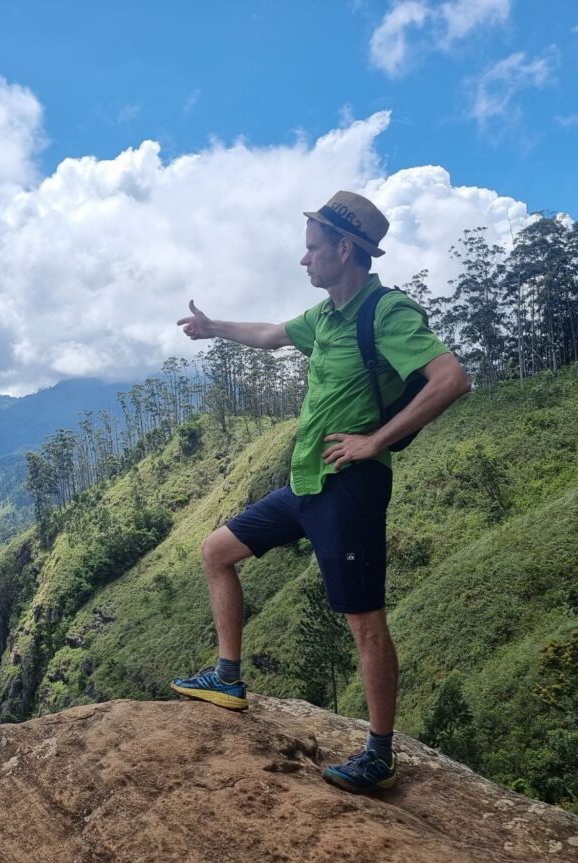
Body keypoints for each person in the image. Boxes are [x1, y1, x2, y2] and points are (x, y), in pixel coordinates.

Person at [171, 190, 470, 795]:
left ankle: (379, 754)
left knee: (364, 620)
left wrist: (374, 441)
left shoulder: (384, 312)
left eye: (312, 248)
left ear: (345, 248)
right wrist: (211, 328)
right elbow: (270, 334)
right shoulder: (327, 316)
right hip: (307, 483)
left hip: (351, 487)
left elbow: (451, 378)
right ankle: (227, 676)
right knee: (216, 551)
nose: (304, 259)